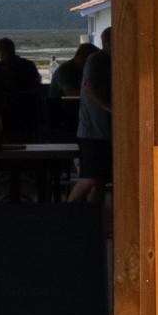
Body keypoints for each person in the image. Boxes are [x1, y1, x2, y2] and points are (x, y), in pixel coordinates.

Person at [69, 27, 112, 203]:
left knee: (100, 180)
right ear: (107, 43)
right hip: (92, 131)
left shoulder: (111, 61)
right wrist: (110, 108)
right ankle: (67, 213)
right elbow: (89, 87)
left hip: (106, 131)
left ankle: (95, 220)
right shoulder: (97, 59)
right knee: (90, 178)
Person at [0, 37, 42, 142]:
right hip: (28, 110)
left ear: (1, 51)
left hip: (6, 111)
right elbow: (37, 81)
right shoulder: (28, 65)